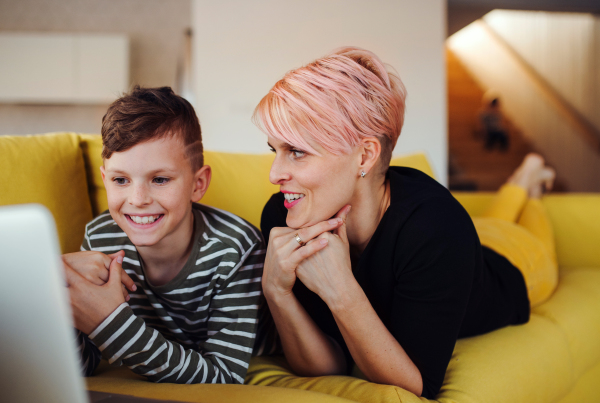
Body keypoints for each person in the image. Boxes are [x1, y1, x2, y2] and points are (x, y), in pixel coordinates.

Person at [254, 47, 558, 398]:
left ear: (365, 156)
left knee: (522, 231)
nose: (275, 174)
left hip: (513, 263)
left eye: (297, 151)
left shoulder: (436, 227)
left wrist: (341, 290)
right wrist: (277, 290)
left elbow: (416, 387)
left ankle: (527, 188)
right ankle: (523, 182)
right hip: (464, 246)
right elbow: (326, 366)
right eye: (273, 150)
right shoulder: (285, 217)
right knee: (491, 222)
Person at [62, 86, 268, 384]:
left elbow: (224, 375)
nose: (138, 198)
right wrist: (64, 291)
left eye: (160, 179)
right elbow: (82, 365)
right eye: (121, 180)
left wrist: (109, 322)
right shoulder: (100, 238)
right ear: (105, 179)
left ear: (198, 184)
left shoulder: (236, 249)